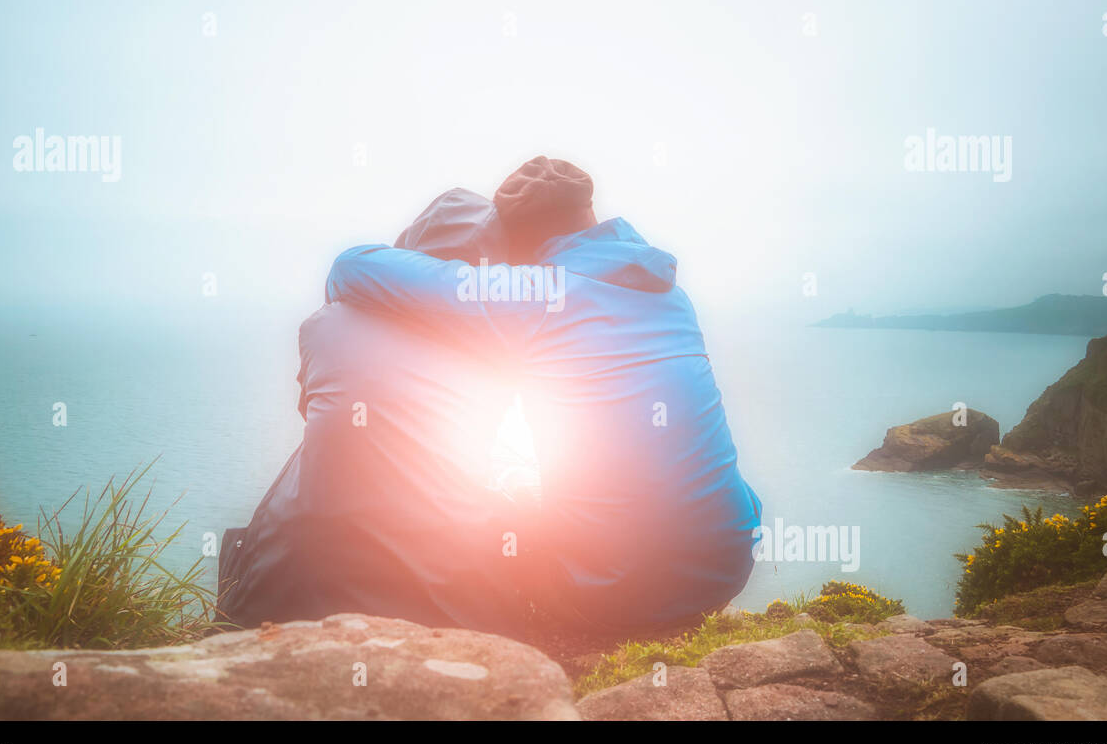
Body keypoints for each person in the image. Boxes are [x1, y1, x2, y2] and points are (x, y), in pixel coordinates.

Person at [326, 156, 762, 634]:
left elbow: (353, 265)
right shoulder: (671, 294)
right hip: (727, 569)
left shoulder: (531, 293)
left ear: (514, 242)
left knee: (500, 494)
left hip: (612, 596)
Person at [216, 189, 528, 636]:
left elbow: (320, 415)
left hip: (288, 586)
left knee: (307, 467)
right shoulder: (505, 345)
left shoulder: (325, 323)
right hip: (449, 598)